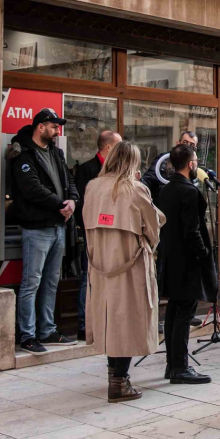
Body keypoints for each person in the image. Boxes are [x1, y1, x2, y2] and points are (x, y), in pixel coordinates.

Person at [82, 141, 164, 402]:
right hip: (130, 263)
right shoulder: (135, 189)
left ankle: (113, 376)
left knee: (109, 318)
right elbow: (153, 228)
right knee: (127, 318)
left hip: (100, 262)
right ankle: (119, 381)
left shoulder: (92, 187)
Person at [7, 108, 80, 355]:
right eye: (54, 126)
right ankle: (27, 335)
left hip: (59, 226)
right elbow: (32, 189)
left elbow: (70, 180)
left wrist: (72, 201)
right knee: (31, 282)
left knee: (50, 282)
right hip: (36, 228)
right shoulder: (23, 153)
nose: (57, 130)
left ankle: (47, 329)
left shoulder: (56, 153)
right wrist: (60, 205)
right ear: (41, 127)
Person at [157, 144, 215, 384]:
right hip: (188, 261)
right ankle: (180, 367)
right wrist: (203, 253)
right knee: (183, 314)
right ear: (191, 164)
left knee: (173, 311)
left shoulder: (166, 190)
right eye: (196, 162)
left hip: (171, 258)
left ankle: (172, 364)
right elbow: (193, 230)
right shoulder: (189, 191)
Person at [74, 130, 122, 340]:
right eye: (119, 145)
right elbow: (83, 204)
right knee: (89, 277)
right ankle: (85, 324)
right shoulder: (88, 169)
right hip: (94, 232)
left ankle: (108, 320)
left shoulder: (119, 171)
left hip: (113, 233)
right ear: (109, 148)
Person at [144, 130, 203, 201]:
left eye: (192, 145)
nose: (187, 147)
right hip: (162, 202)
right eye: (185, 143)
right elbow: (149, 178)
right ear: (178, 143)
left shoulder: (193, 163)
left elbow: (194, 184)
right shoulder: (164, 159)